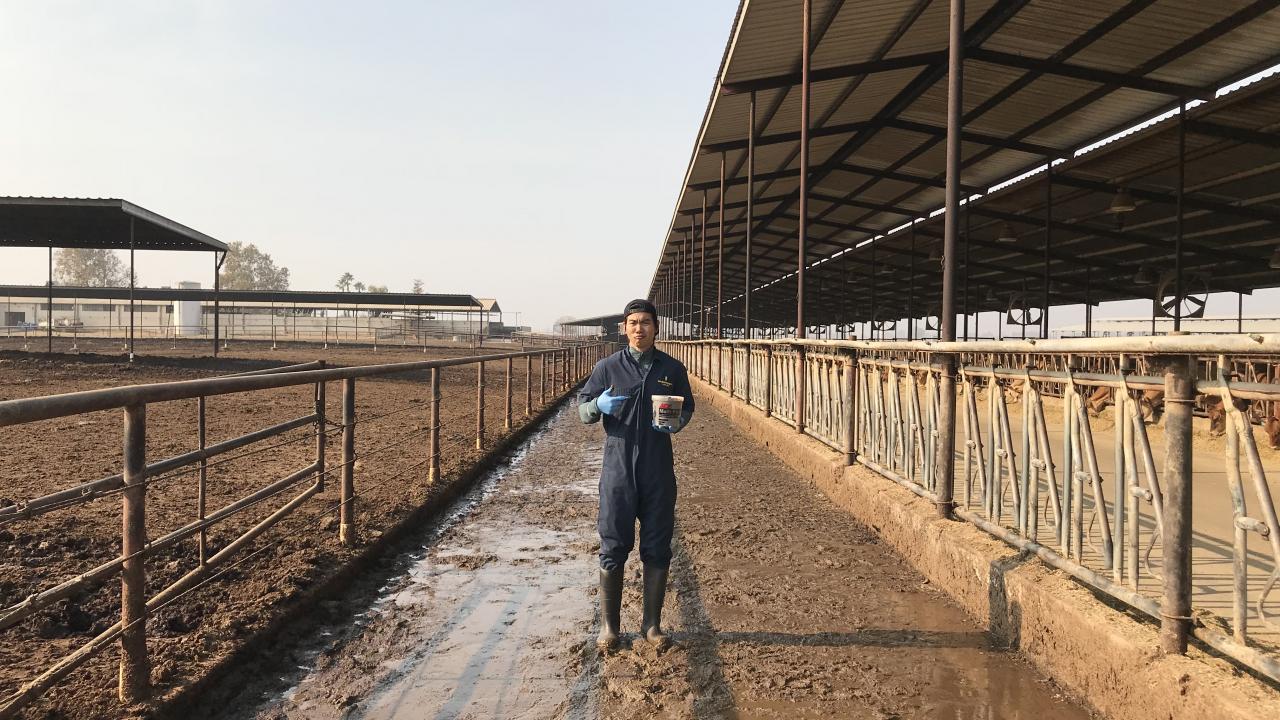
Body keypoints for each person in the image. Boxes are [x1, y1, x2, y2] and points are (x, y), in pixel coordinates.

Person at [578, 298, 694, 651]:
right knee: (613, 544)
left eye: (646, 322)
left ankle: (652, 626)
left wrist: (677, 422)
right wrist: (598, 405)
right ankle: (609, 628)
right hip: (618, 467)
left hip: (658, 467)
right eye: (633, 323)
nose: (639, 328)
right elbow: (582, 411)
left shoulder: (672, 369)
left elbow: (687, 407)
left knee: (658, 545)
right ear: (624, 328)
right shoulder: (608, 368)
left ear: (656, 327)